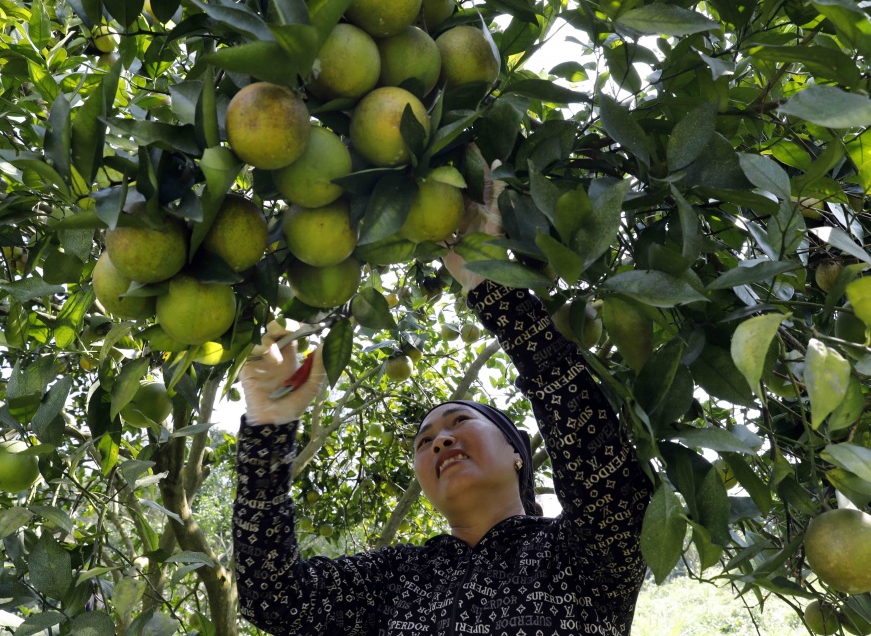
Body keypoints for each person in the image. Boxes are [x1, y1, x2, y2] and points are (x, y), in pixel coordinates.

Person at [233, 179, 653, 635]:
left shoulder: (579, 554)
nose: (440, 441)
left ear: (517, 453)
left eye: (460, 421)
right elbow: (274, 599)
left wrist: (497, 291)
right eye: (424, 441)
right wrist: (268, 431)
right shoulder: (394, 581)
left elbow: (599, 462)